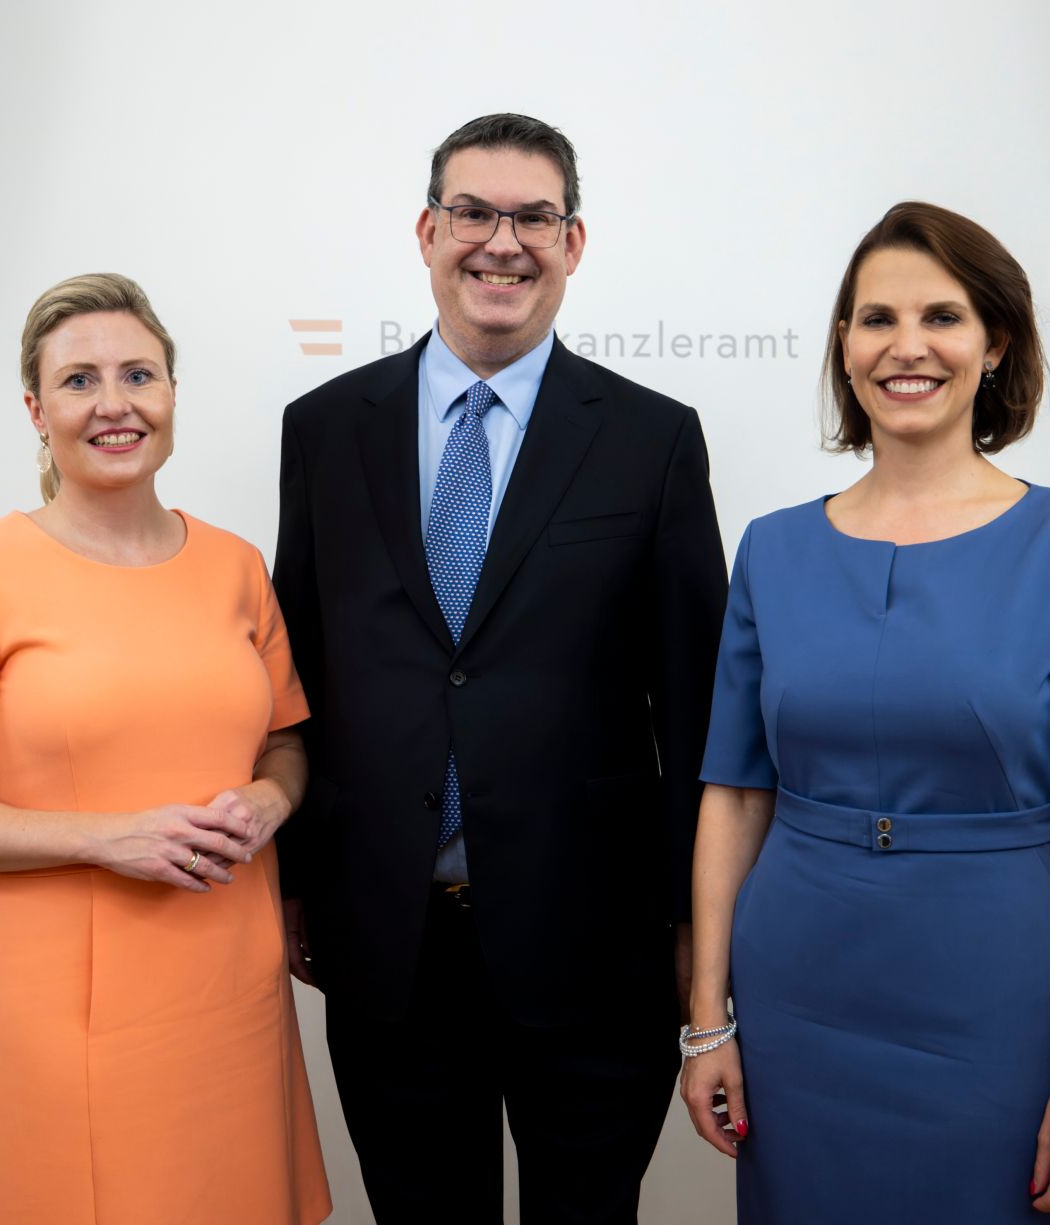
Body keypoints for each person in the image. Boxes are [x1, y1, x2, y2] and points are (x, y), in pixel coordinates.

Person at [679, 202, 1050, 1222]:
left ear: (994, 343)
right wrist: (704, 1021)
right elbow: (731, 798)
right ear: (843, 344)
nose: (906, 347)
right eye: (875, 319)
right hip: (796, 998)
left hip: (993, 994)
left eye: (941, 317)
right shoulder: (771, 549)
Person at [272, 113, 728, 1223]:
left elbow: (701, 702)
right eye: (473, 212)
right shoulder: (324, 428)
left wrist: (694, 935)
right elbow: (297, 675)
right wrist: (290, 881)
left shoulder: (651, 438)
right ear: (427, 232)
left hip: (596, 956)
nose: (501, 241)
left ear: (573, 245)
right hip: (387, 945)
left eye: (534, 217)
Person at [0, 273, 330, 1225]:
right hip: (73, 1010)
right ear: (36, 411)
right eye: (79, 381)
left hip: (232, 989)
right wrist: (104, 837)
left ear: (170, 396)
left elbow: (288, 746)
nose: (114, 403)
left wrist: (271, 802)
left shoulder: (237, 565)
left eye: (139, 374)